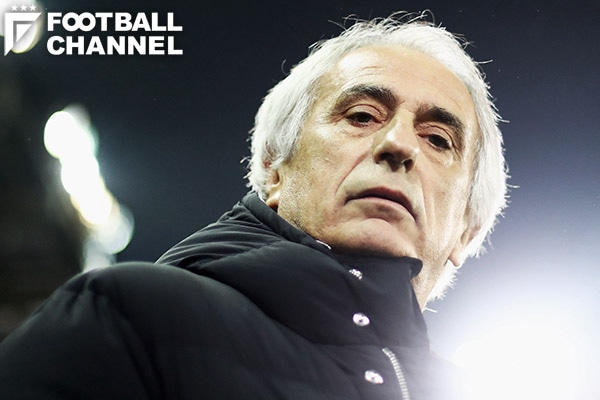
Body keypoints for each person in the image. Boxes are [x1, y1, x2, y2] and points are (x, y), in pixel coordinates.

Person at [0, 13, 508, 400]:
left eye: (438, 139)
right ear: (274, 169)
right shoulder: (131, 317)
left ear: (467, 229)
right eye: (361, 115)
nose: (398, 144)